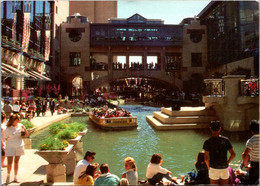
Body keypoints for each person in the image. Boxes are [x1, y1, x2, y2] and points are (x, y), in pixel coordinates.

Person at [203, 120, 236, 185]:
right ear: (220, 129)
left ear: (210, 129)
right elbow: (233, 154)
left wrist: (209, 167)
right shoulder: (226, 140)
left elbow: (206, 158)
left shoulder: (208, 141)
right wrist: (227, 162)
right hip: (224, 168)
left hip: (213, 168)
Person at [4, 114, 28, 183]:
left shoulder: (20, 126)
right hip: (10, 146)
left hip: (19, 145)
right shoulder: (8, 129)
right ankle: (8, 176)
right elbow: (5, 137)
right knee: (9, 162)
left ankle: (15, 177)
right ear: (13, 120)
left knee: (16, 161)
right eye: (17, 119)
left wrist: (25, 129)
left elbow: (26, 135)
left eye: (19, 119)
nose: (19, 120)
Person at [242, 120, 259, 185]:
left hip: (254, 165)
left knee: (253, 183)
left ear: (251, 130)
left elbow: (245, 155)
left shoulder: (251, 141)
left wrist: (246, 166)